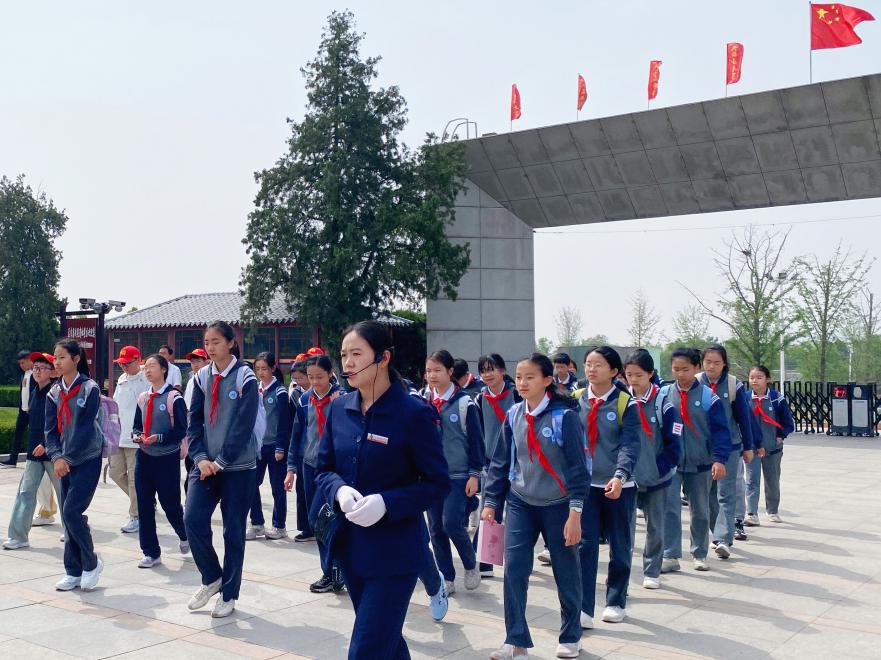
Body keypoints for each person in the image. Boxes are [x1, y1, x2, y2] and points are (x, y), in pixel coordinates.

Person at [315, 321, 450, 659]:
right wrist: (339, 491)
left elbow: (437, 483)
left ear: (383, 357)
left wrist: (387, 502)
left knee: (366, 650)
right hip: (352, 550)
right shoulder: (339, 409)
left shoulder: (413, 414)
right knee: (386, 644)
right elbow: (323, 468)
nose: (348, 363)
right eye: (344, 355)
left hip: (395, 554)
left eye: (357, 354)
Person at [482, 353, 588, 660]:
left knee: (566, 572)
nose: (522, 383)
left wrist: (575, 513)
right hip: (521, 503)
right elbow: (501, 461)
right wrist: (491, 502)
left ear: (547, 380)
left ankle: (571, 635)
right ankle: (515, 640)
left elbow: (579, 468)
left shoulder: (564, 417)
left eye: (530, 377)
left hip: (559, 505)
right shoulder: (514, 413)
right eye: (519, 377)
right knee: (514, 570)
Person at [184, 321, 259, 618]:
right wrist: (200, 456)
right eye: (207, 342)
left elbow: (243, 425)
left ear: (231, 342)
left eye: (216, 341)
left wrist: (222, 461)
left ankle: (229, 594)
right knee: (192, 518)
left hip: (238, 466)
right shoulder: (201, 377)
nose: (210, 347)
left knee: (233, 531)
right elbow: (194, 421)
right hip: (205, 464)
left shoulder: (244, 376)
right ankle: (212, 576)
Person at [573, 346, 641, 626]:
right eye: (588, 364)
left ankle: (615, 600)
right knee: (584, 545)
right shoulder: (575, 399)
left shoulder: (626, 403)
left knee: (620, 545)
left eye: (598, 364)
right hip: (585, 486)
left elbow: (630, 444)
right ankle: (584, 607)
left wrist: (620, 475)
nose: (591, 369)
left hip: (619, 486)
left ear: (614, 371)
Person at [661, 348, 731, 573]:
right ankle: (670, 554)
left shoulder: (709, 397)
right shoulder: (664, 394)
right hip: (671, 463)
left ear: (696, 368)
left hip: (701, 462)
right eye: (676, 369)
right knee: (670, 508)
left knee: (700, 510)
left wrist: (719, 459)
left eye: (685, 369)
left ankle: (699, 553)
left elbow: (721, 431)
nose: (680, 374)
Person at [45, 339, 105, 591]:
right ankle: (73, 570)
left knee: (71, 511)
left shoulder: (90, 389)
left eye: (62, 357)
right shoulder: (54, 392)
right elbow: (50, 431)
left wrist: (66, 458)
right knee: (68, 515)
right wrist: (56, 456)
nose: (57, 362)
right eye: (55, 358)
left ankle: (91, 563)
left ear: (76, 359)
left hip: (86, 458)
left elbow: (84, 429)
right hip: (64, 461)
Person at [425, 349, 484, 594]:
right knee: (435, 529)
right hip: (431, 476)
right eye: (429, 371)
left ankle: (470, 564)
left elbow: (476, 441)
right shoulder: (424, 400)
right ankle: (446, 577)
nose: (432, 375)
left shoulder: (464, 403)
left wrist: (474, 474)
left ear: (450, 371)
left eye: (437, 370)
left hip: (458, 475)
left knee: (451, 523)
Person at [623, 349, 682, 590]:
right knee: (624, 528)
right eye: (629, 375)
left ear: (650, 374)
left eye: (639, 375)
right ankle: (622, 573)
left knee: (655, 526)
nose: (633, 380)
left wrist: (660, 468)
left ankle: (652, 570)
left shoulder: (663, 404)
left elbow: (674, 443)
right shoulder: (621, 400)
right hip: (627, 477)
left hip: (657, 478)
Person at [288, 354, 345, 592]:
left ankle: (336, 569)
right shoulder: (304, 399)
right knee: (316, 521)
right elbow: (297, 433)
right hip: (310, 465)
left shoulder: (342, 398)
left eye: (319, 377)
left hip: (335, 469)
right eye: (310, 377)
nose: (315, 382)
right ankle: (331, 571)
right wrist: (291, 468)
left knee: (331, 520)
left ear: (331, 373)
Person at [131, 354, 189, 568]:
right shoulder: (143, 397)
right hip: (144, 457)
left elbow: (182, 429)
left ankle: (185, 534)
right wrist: (136, 435)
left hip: (167, 459)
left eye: (152, 366)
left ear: (164, 369)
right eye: (145, 367)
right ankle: (151, 552)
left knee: (170, 504)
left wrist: (160, 438)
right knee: (144, 505)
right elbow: (137, 425)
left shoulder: (174, 398)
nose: (147, 370)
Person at [698, 344, 757, 556]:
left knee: (726, 493)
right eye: (708, 362)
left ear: (724, 364)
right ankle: (718, 531)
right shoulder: (695, 383)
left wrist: (748, 446)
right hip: (702, 447)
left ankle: (723, 538)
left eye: (717, 362)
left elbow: (744, 417)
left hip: (729, 447)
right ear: (702, 363)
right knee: (707, 494)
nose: (712, 367)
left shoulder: (733, 385)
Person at [4, 353, 63, 549]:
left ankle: (72, 532)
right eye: (35, 367)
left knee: (64, 494)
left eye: (42, 368)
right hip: (33, 454)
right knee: (25, 493)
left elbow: (61, 424)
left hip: (54, 454)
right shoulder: (34, 392)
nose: (37, 371)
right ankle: (18, 536)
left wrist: (46, 444)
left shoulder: (56, 394)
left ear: (52, 372)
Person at [472, 353, 520, 578]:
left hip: (519, 462)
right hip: (492, 463)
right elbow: (478, 432)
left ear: (502, 371)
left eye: (491, 369)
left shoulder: (517, 394)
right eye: (483, 371)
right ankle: (486, 563)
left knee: (518, 512)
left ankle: (519, 558)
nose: (487, 374)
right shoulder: (479, 399)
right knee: (490, 510)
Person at [247, 352, 290, 540]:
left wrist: (281, 446)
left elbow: (284, 422)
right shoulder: (254, 390)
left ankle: (279, 526)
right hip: (257, 446)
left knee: (277, 488)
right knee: (251, 485)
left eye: (264, 368)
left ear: (273, 368)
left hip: (274, 447)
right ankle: (257, 524)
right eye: (257, 369)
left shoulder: (280, 392)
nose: (261, 372)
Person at [745, 365, 794, 526]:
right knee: (751, 480)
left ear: (768, 379)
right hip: (752, 448)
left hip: (773, 449)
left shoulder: (776, 398)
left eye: (759, 377)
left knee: (772, 480)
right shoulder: (745, 398)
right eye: (752, 377)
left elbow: (788, 422)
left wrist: (780, 436)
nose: (755, 381)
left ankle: (772, 510)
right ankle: (751, 513)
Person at [111, 345, 151, 533]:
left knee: (135, 479)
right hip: (119, 436)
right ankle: (145, 501)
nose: (124, 367)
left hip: (136, 438)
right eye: (121, 364)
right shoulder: (121, 379)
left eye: (128, 363)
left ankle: (136, 516)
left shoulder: (146, 380)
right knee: (115, 473)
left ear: (138, 360)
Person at [287, 356, 313, 542]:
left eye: (301, 378)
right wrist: (291, 463)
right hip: (305, 452)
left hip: (324, 453)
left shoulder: (337, 394)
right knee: (303, 492)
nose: (298, 382)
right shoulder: (300, 396)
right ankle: (306, 528)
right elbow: (296, 430)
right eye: (295, 379)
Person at [1, 350, 35, 468]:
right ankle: (12, 460)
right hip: (23, 411)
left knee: (33, 436)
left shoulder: (36, 374)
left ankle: (33, 460)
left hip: (33, 411)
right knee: (17, 435)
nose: (21, 365)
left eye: (23, 362)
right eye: (20, 363)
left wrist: (32, 406)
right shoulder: (23, 374)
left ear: (30, 360)